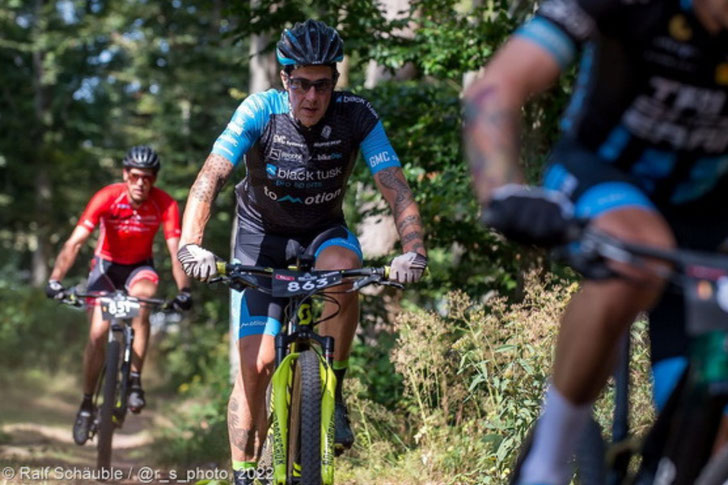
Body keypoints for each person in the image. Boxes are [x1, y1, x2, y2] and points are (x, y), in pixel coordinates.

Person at [463, 0, 728, 483]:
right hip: (604, 176)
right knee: (635, 256)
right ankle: (548, 458)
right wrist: (503, 190)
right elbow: (495, 90)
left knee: (708, 423)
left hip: (706, 211)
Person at [176, 19, 427, 485]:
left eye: (323, 85)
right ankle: (244, 474)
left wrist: (413, 250)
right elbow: (210, 178)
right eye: (302, 84)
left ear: (335, 80)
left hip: (322, 233)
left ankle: (335, 387)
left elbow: (395, 187)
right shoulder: (259, 111)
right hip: (261, 238)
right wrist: (191, 244)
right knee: (258, 364)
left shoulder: (355, 114)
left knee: (346, 268)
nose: (312, 97)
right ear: (284, 78)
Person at [45, 146, 192, 446]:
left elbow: (176, 251)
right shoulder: (107, 197)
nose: (141, 183)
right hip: (106, 269)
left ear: (154, 180)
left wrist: (184, 290)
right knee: (98, 333)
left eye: (147, 178)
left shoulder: (164, 204)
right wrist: (55, 280)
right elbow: (75, 243)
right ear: (125, 175)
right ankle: (87, 403)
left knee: (142, 305)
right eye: (135, 176)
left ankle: (135, 380)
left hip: (140, 269)